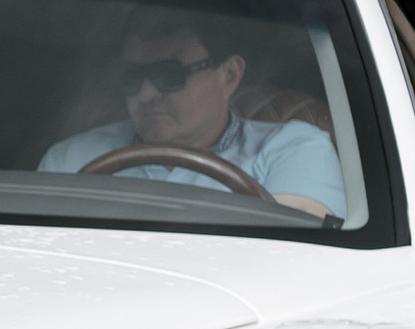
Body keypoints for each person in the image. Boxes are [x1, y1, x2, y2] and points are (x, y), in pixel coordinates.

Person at [39, 16, 343, 215]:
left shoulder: (293, 149)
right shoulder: (72, 157)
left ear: (229, 75)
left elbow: (296, 259)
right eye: (132, 77)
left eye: (169, 75)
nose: (146, 95)